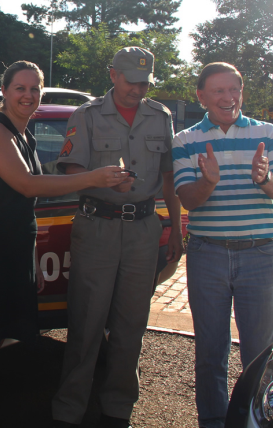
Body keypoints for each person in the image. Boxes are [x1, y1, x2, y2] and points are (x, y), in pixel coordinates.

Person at [0, 60, 129, 428]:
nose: (28, 95)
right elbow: (28, 185)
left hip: (10, 253)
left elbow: (34, 185)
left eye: (35, 88)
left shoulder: (23, 134)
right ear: (4, 91)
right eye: (20, 88)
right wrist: (93, 178)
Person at [51, 47, 184, 428]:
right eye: (131, 81)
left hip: (143, 228)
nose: (137, 89)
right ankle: (69, 409)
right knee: (86, 321)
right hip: (98, 226)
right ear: (113, 75)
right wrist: (100, 177)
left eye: (144, 82)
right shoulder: (87, 115)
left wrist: (175, 226)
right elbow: (71, 166)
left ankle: (118, 408)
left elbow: (170, 176)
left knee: (131, 324)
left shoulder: (160, 116)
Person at [172, 62, 273, 428]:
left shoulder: (268, 133)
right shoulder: (186, 140)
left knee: (259, 351)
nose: (228, 97)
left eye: (234, 89)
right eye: (219, 91)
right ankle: (213, 420)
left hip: (259, 253)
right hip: (207, 252)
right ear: (201, 96)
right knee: (210, 351)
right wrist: (208, 182)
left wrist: (265, 178)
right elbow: (188, 199)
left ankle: (258, 420)